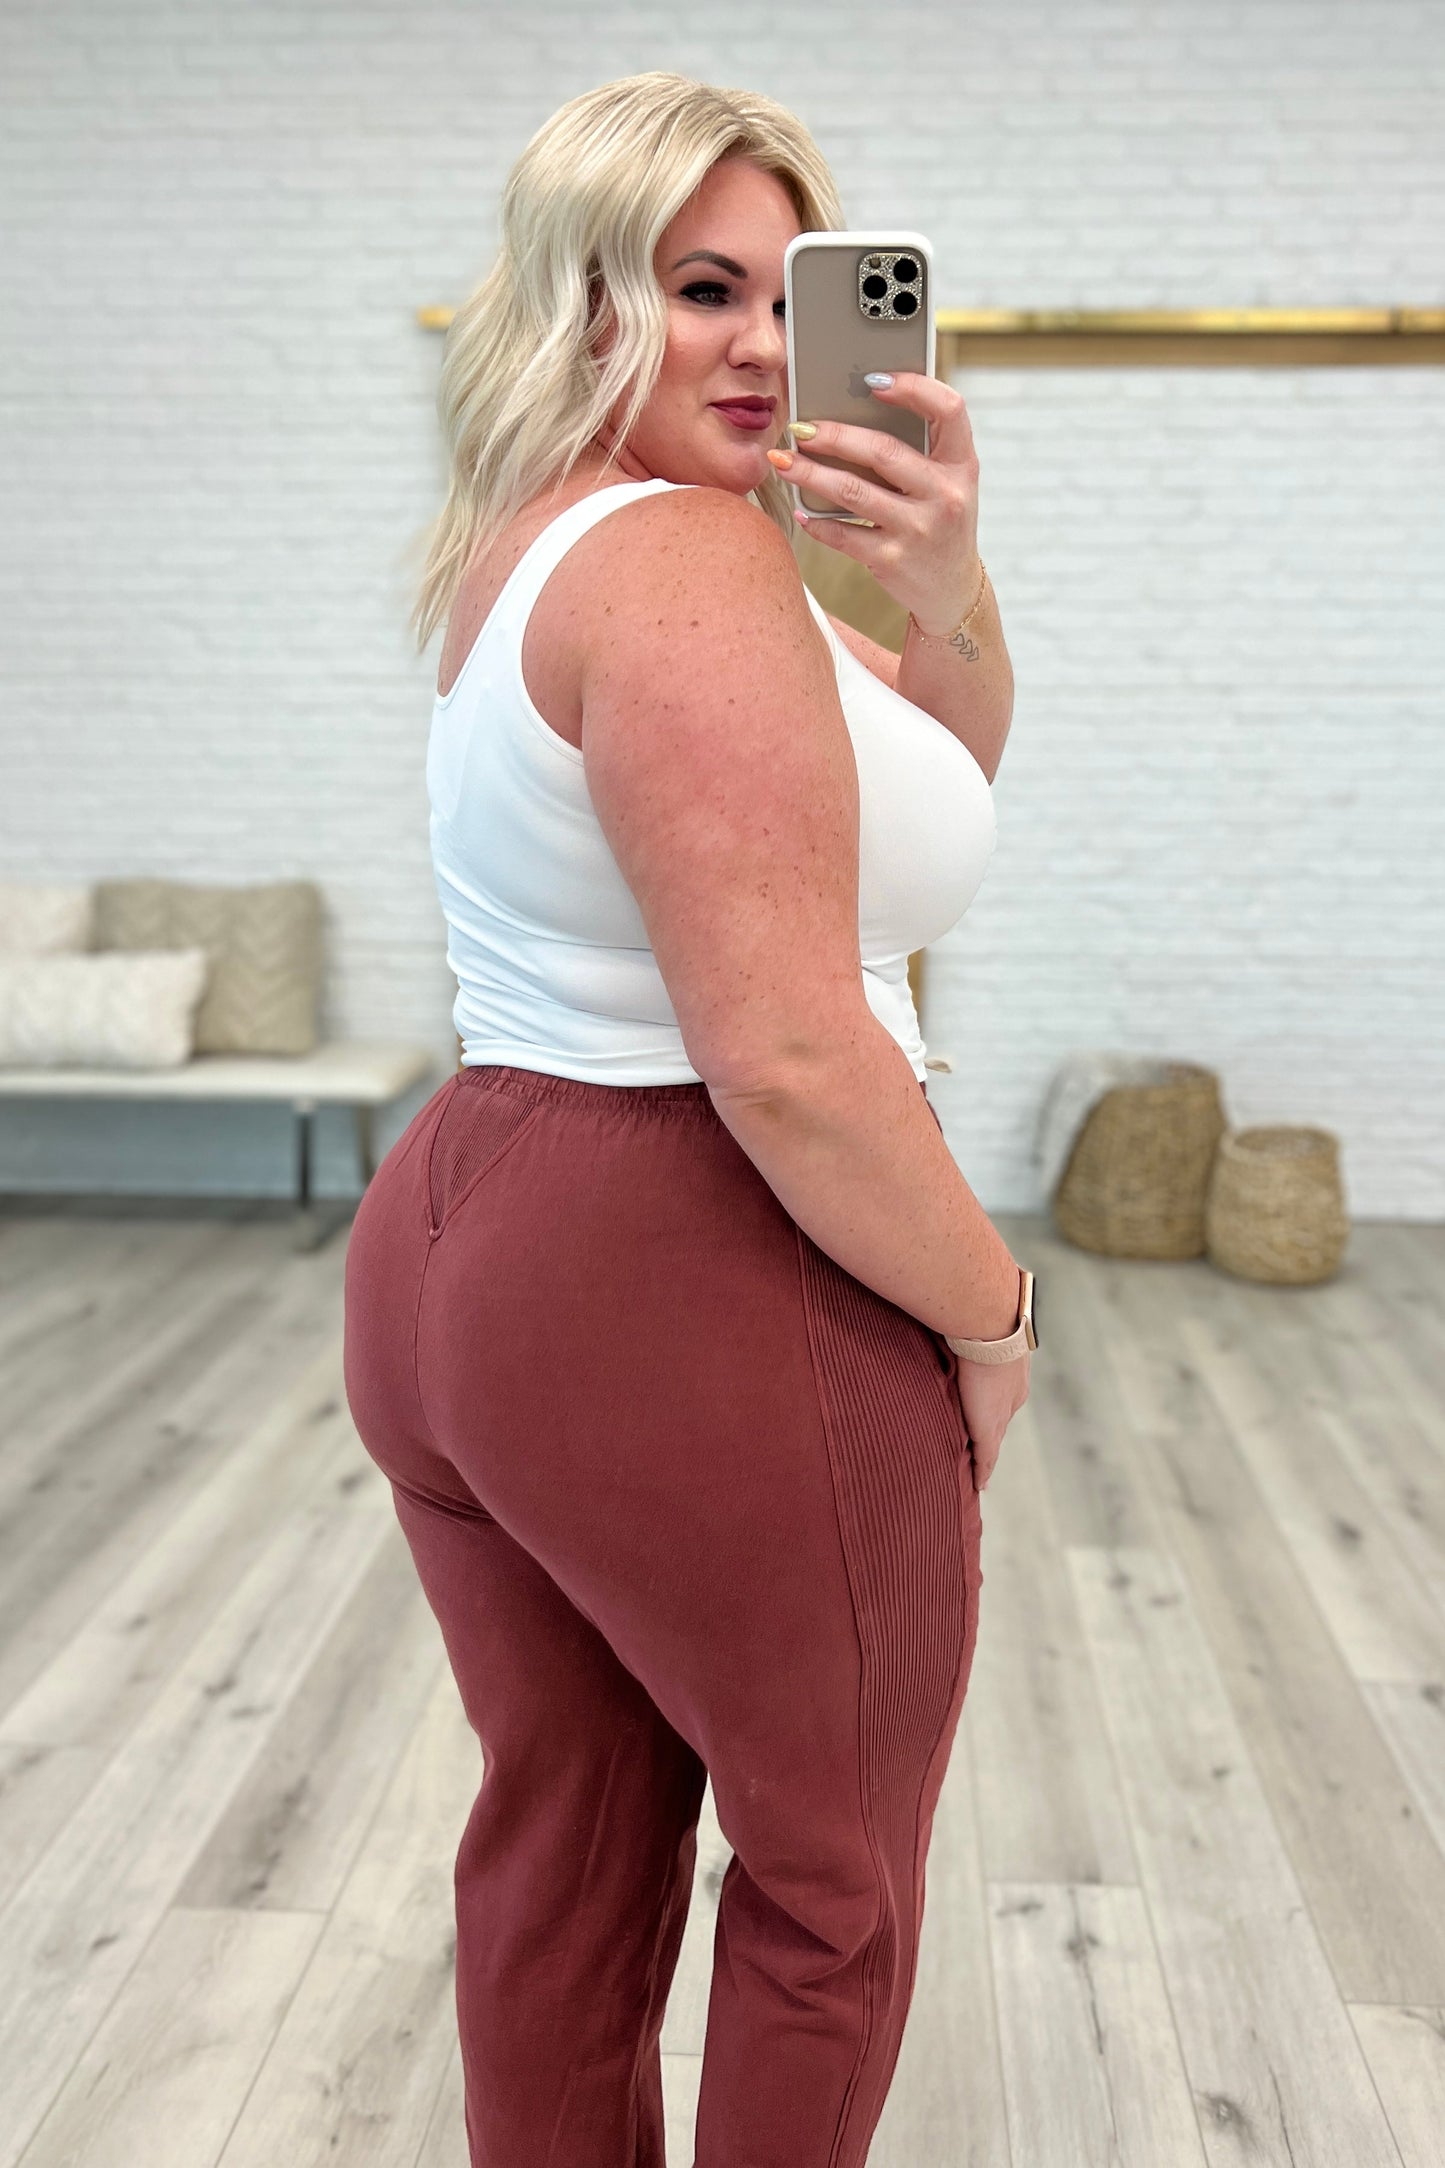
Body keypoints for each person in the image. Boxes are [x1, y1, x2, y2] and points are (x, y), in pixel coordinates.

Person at [342, 67, 1032, 2168]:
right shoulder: (691, 569)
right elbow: (793, 1056)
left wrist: (947, 578)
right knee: (835, 1889)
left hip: (466, 1237)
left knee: (566, 1843)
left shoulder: (543, 546)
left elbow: (928, 790)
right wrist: (993, 1310)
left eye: (782, 291)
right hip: (683, 1263)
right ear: (578, 299)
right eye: (695, 286)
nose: (753, 342)